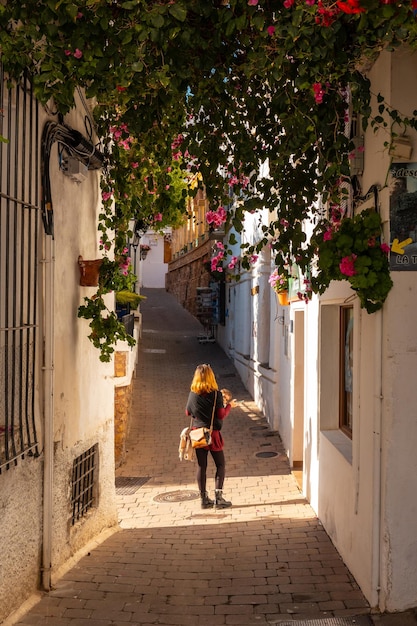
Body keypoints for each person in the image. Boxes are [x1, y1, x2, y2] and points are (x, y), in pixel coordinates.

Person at [186, 363, 237, 509]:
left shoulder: (192, 393)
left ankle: (203, 499)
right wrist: (229, 407)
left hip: (198, 434)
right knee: (220, 465)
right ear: (211, 376)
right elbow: (221, 414)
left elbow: (188, 413)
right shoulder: (216, 394)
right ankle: (218, 498)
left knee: (201, 466)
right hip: (212, 434)